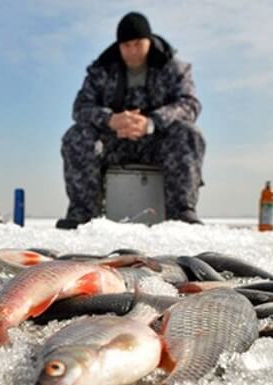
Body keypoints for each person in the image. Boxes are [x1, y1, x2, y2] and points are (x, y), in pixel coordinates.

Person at [57, 12, 206, 229]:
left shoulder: (174, 68)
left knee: (188, 133)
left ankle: (182, 213)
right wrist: (110, 119)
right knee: (76, 135)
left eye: (138, 44)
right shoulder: (101, 70)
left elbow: (190, 104)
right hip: (114, 142)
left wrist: (151, 123)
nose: (133, 50)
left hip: (158, 143)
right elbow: (80, 108)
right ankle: (83, 215)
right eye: (127, 45)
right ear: (119, 46)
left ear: (149, 40)